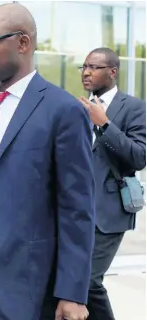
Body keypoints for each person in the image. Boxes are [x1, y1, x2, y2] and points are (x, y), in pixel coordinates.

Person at [0, 3, 95, 320]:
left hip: (29, 282)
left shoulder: (62, 110)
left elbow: (77, 208)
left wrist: (72, 293)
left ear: (23, 43)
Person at [78, 48, 146, 320]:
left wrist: (104, 124)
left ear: (112, 72)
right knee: (70, 281)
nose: (86, 72)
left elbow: (139, 157)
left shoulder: (133, 107)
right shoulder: (77, 107)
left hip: (109, 212)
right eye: (83, 66)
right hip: (76, 210)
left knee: (90, 281)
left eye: (94, 67)